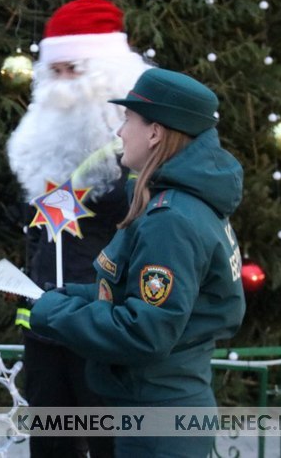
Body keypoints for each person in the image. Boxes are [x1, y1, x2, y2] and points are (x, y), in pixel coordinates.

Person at [29, 67, 246, 457]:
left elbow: (145, 332)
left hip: (156, 424)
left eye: (128, 119)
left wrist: (52, 314)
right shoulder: (185, 204)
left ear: (154, 132)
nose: (119, 132)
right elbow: (136, 294)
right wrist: (63, 295)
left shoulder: (172, 219)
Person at [6, 0, 149, 458]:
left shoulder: (137, 148)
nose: (64, 85)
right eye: (57, 72)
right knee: (49, 446)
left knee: (111, 445)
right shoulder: (38, 141)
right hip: (44, 327)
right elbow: (36, 236)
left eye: (76, 70)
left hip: (102, 326)